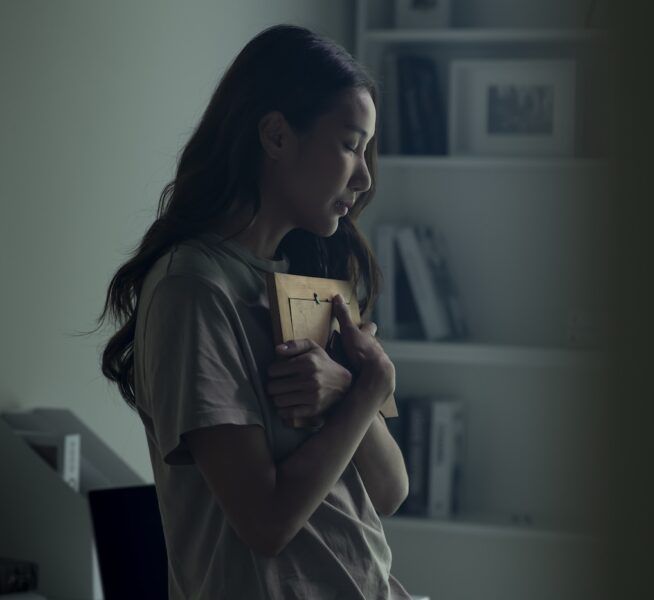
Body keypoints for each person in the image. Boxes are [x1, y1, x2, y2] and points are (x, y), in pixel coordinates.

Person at [94, 24, 414, 599]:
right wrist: (369, 388)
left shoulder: (309, 285)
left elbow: (389, 492)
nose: (365, 177)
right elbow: (265, 523)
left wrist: (349, 389)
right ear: (275, 135)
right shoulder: (192, 289)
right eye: (349, 144)